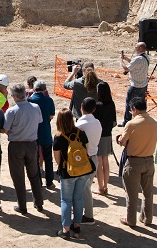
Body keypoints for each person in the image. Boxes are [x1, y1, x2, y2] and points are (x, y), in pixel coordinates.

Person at [116, 98, 157, 227]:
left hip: (134, 162)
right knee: (147, 192)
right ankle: (147, 218)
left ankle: (131, 219)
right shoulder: (154, 123)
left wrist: (119, 137)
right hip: (149, 160)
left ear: (134, 109)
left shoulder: (131, 124)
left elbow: (122, 142)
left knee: (131, 193)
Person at [4, 83, 45, 214]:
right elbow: (39, 121)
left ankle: (22, 205)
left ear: (14, 96)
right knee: (34, 174)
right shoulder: (35, 107)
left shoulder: (12, 111)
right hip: (32, 144)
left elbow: (5, 129)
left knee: (18, 176)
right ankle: (39, 203)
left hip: (16, 145)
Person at [54, 108, 93, 239]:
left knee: (66, 199)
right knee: (78, 197)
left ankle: (65, 229)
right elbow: (86, 150)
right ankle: (76, 225)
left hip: (67, 172)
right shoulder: (80, 133)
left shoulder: (59, 137)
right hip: (83, 170)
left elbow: (57, 158)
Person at [29, 81, 56, 190]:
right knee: (48, 159)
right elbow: (51, 116)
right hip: (45, 132)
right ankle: (49, 181)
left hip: (33, 133)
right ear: (44, 89)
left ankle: (37, 182)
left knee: (34, 160)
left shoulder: (29, 100)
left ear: (34, 89)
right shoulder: (48, 100)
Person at [94, 82, 117, 195]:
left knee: (99, 163)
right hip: (108, 135)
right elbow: (114, 122)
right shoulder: (111, 104)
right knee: (106, 162)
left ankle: (100, 187)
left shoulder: (97, 105)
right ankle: (105, 186)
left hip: (99, 136)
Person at [122, 43, 150, 124]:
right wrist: (127, 59)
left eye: (136, 47)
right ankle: (142, 119)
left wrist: (121, 61)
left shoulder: (137, 59)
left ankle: (127, 121)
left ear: (141, 48)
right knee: (141, 103)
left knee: (129, 103)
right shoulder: (146, 57)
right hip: (143, 85)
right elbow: (135, 65)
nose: (135, 48)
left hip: (135, 85)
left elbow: (126, 69)